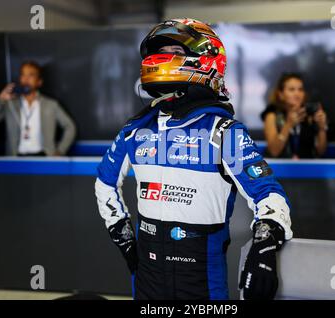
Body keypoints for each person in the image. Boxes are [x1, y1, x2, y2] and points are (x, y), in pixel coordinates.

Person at [95, 18, 292, 300]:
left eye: (174, 53)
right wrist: (123, 236)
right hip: (146, 276)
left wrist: (265, 244)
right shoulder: (135, 129)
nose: (160, 60)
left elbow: (269, 195)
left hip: (201, 279)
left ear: (207, 60)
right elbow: (104, 183)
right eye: (156, 53)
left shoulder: (223, 131)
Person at [0, 61, 76, 156]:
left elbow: (70, 126)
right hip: (16, 158)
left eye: (31, 75)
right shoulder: (10, 104)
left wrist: (60, 150)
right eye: (23, 75)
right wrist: (0, 99)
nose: (26, 79)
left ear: (39, 82)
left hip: (44, 157)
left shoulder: (50, 104)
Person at [261, 73, 328, 159]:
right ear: (281, 94)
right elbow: (274, 151)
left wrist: (322, 128)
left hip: (306, 169)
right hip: (279, 169)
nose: (297, 94)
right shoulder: (272, 116)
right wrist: (288, 125)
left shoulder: (310, 116)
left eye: (300, 89)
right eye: (291, 89)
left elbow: (321, 151)